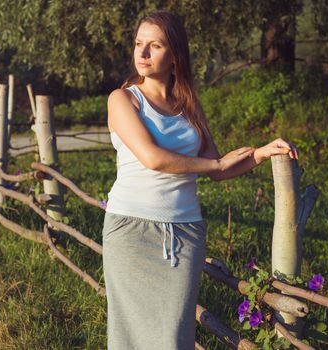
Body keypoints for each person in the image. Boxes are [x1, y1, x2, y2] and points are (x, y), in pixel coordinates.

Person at [102, 10, 298, 350]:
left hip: (185, 232)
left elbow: (219, 168)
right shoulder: (123, 99)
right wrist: (213, 165)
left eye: (154, 45)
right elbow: (153, 158)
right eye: (138, 44)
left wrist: (260, 154)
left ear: (175, 55)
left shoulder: (188, 105)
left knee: (175, 335)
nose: (142, 53)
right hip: (131, 230)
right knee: (129, 335)